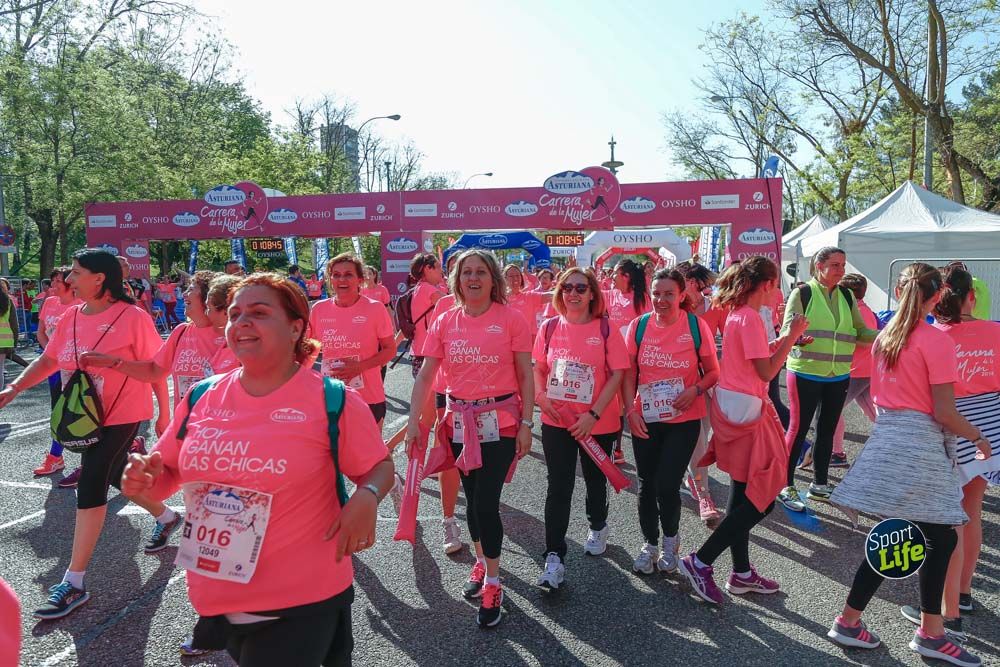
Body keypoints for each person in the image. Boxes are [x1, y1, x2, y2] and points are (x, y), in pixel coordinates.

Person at [121, 272, 394, 666]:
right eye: (235, 314)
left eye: (259, 312)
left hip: (301, 600)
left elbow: (379, 468)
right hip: (219, 596)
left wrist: (367, 497)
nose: (242, 322)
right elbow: (165, 477)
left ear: (296, 327)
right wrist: (141, 480)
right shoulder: (202, 395)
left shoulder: (332, 401)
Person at [0, 249, 177, 620]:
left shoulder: (133, 317)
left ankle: (74, 581)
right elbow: (49, 359)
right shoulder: (70, 316)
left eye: (77, 273)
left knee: (92, 482)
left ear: (100, 278)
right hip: (82, 417)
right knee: (115, 475)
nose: (69, 280)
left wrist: (164, 413)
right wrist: (14, 388)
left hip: (123, 414)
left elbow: (155, 370)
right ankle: (166, 516)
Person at [826, 263, 988, 667]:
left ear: (899, 293)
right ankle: (929, 633)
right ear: (938, 296)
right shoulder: (935, 341)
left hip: (891, 440)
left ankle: (854, 621)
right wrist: (979, 437)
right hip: (921, 447)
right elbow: (945, 412)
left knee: (906, 535)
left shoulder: (886, 337)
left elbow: (885, 400)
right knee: (937, 537)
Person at [405, 249, 534, 628]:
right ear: (456, 280)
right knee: (472, 500)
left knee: (485, 503)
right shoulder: (445, 321)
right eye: (466, 273)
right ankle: (481, 562)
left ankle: (494, 582)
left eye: (480, 272)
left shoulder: (511, 319)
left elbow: (526, 375)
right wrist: (415, 420)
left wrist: (527, 422)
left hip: (501, 422)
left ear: (493, 279)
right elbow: (427, 376)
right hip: (459, 421)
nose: (473, 278)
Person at [677, 256, 810, 604]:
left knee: (741, 492)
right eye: (776, 282)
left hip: (734, 403)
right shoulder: (748, 317)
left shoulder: (739, 314)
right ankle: (701, 560)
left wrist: (786, 342)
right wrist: (791, 335)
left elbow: (750, 358)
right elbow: (766, 372)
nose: (779, 290)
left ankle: (741, 573)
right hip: (747, 408)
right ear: (764, 284)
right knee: (763, 496)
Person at [890, 264, 1000, 641]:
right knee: (972, 511)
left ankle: (949, 612)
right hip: (990, 429)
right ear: (972, 296)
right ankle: (963, 594)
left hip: (952, 431)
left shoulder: (931, 336)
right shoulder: (996, 332)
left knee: (949, 523)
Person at [533, 268, 628, 590]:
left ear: (591, 294)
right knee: (558, 486)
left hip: (595, 422)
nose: (573, 293)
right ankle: (554, 557)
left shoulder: (605, 328)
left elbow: (617, 374)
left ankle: (597, 525)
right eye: (567, 287)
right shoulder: (548, 328)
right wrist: (541, 397)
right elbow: (539, 368)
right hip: (556, 420)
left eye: (580, 288)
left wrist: (593, 414)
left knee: (594, 478)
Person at [623, 269, 719, 576]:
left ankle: (670, 541)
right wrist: (630, 410)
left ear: (681, 296)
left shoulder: (695, 326)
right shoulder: (638, 326)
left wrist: (695, 390)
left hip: (684, 418)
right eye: (656, 293)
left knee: (667, 484)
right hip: (645, 418)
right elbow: (628, 375)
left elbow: (713, 372)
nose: (661, 300)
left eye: (668, 294)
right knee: (646, 485)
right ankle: (649, 544)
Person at [777, 247, 877, 511]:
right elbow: (788, 329)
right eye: (835, 265)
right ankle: (785, 485)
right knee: (798, 429)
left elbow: (861, 331)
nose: (841, 271)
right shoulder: (803, 293)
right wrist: (797, 337)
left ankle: (819, 485)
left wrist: (886, 335)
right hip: (805, 371)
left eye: (843, 265)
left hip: (839, 374)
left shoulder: (846, 294)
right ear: (818, 266)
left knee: (827, 430)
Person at [78, 271, 226, 410]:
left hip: (225, 427)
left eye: (191, 289)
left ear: (209, 297)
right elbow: (154, 371)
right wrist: (113, 362)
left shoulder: (232, 336)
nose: (185, 294)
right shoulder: (181, 332)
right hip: (188, 428)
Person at [309, 253, 396, 429]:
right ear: (330, 279)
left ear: (360, 279)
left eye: (348, 274)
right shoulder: (319, 309)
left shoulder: (375, 308)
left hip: (369, 396)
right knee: (332, 454)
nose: (342, 279)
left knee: (370, 455)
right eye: (336, 274)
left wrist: (359, 367)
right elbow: (309, 349)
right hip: (332, 395)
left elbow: (390, 349)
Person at [675, 262, 724, 524]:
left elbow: (730, 340)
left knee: (702, 436)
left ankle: (698, 483)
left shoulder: (716, 307)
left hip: (706, 381)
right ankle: (704, 493)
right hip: (674, 383)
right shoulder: (670, 307)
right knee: (694, 438)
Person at [826, 273, 879, 468]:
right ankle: (901, 445)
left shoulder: (858, 312)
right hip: (864, 369)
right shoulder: (864, 310)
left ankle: (836, 453)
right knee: (873, 413)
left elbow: (865, 340)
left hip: (856, 370)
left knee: (831, 410)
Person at [32, 267, 81, 477]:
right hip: (54, 367)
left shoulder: (81, 305)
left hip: (77, 369)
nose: (53, 286)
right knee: (58, 413)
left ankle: (107, 458)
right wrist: (51, 355)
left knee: (86, 413)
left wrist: (68, 359)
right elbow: (41, 332)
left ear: (70, 284)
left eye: (57, 282)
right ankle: (55, 457)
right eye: (52, 282)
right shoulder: (50, 303)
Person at [604, 259, 652, 465]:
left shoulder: (643, 300)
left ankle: (647, 446)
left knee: (629, 405)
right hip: (611, 361)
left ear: (626, 276)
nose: (611, 277)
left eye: (614, 273)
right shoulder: (610, 295)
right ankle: (616, 449)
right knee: (614, 406)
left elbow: (649, 330)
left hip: (634, 364)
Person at [504, 264, 546, 333]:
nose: (515, 278)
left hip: (524, 341)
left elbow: (551, 296)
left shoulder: (529, 296)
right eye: (511, 276)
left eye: (517, 275)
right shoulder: (499, 299)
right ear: (505, 278)